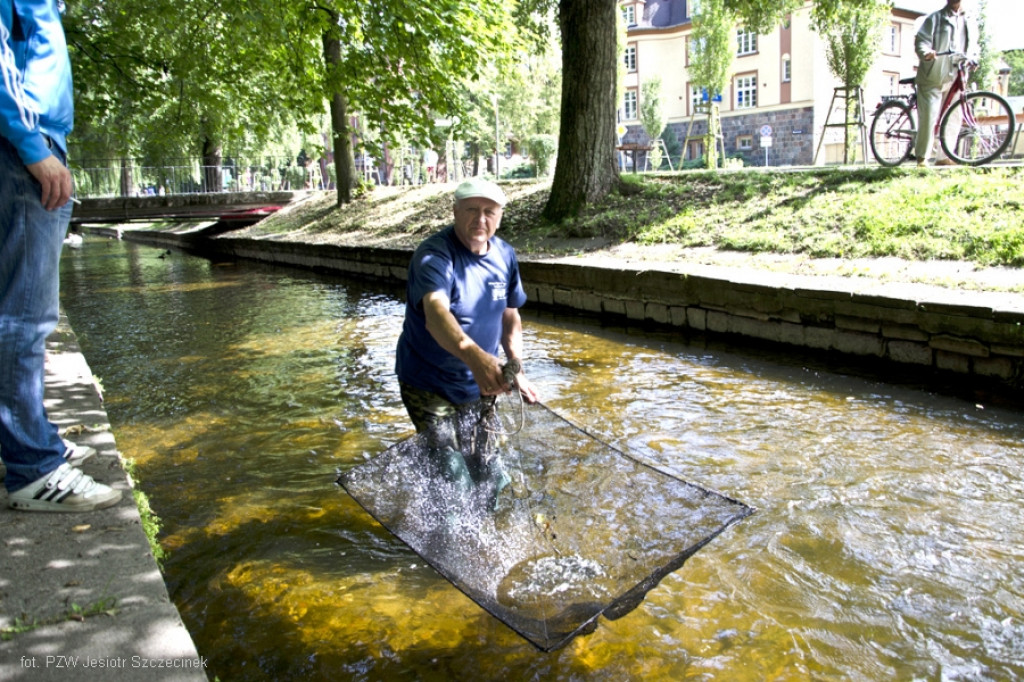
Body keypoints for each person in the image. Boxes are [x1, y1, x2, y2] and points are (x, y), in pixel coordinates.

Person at [1, 0, 122, 511]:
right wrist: (32, 146)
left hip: (24, 141)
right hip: (22, 147)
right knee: (24, 317)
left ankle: (27, 437)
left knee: (19, 311)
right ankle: (34, 467)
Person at [395, 178, 539, 503]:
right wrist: (476, 358)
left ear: (500, 216)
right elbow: (435, 314)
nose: (480, 219)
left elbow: (510, 314)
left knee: (489, 473)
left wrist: (515, 365)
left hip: (480, 385)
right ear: (455, 211)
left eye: (489, 211)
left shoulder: (505, 255)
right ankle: (446, 540)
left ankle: (488, 540)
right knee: (452, 476)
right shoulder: (434, 256)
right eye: (471, 210)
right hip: (429, 384)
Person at [913, 0, 976, 167]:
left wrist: (973, 59)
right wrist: (926, 52)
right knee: (929, 116)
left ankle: (943, 156)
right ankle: (922, 158)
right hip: (933, 74)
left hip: (957, 76)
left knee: (954, 116)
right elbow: (921, 41)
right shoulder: (935, 18)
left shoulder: (970, 19)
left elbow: (974, 46)